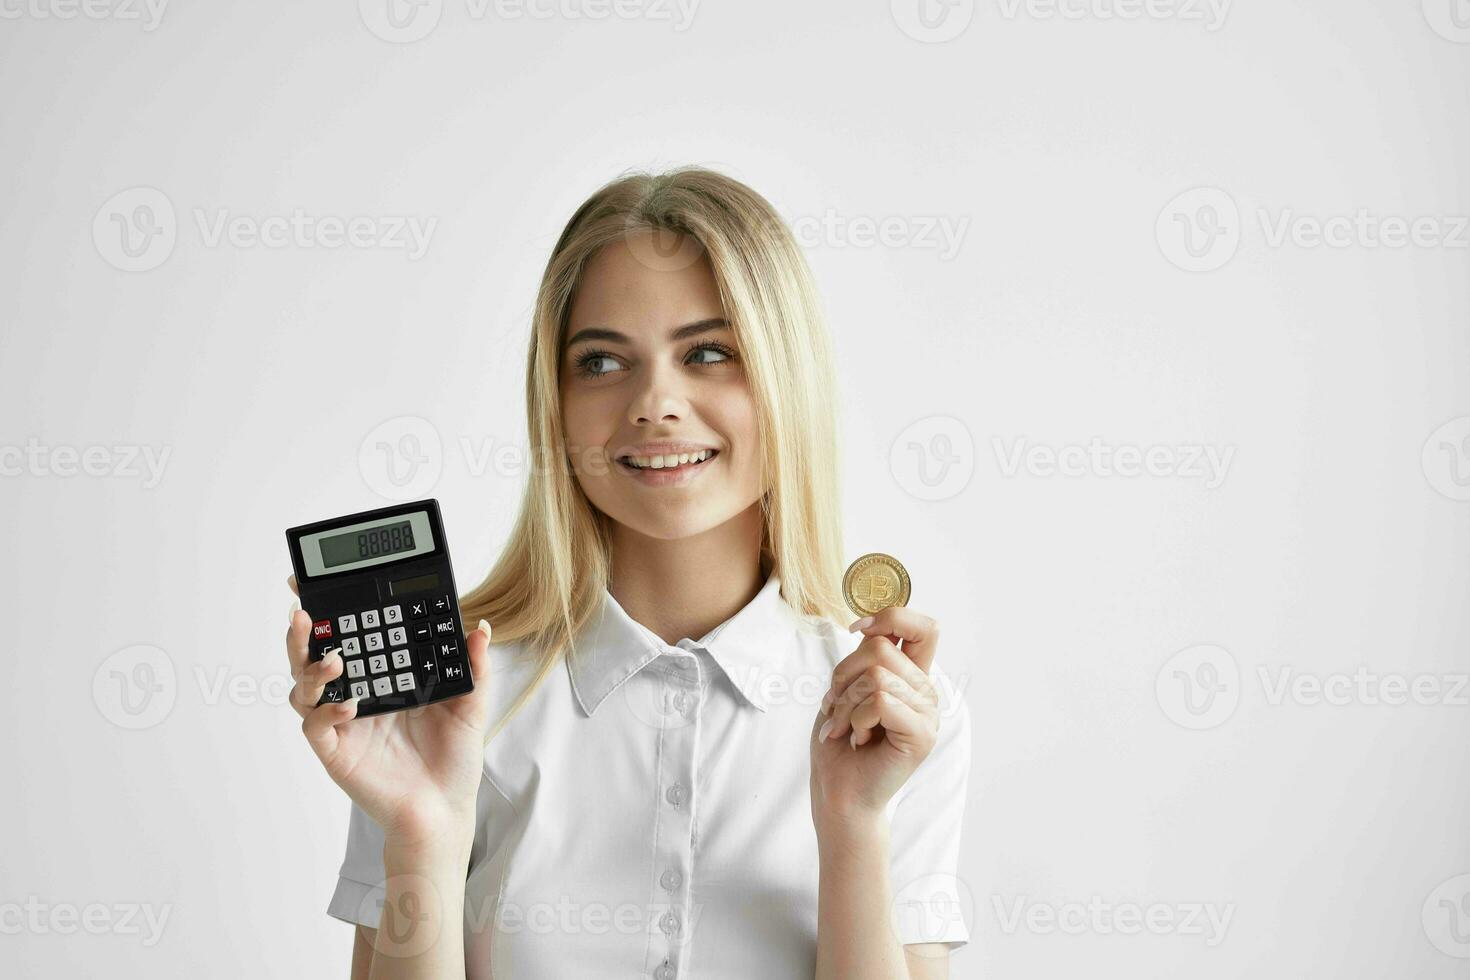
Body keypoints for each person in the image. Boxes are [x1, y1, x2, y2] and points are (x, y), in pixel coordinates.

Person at [283, 166, 973, 979]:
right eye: (603, 363)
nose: (655, 402)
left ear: (787, 380)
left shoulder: (893, 718)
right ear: (556, 402)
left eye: (710, 352)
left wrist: (855, 825)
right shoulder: (449, 703)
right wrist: (421, 834)